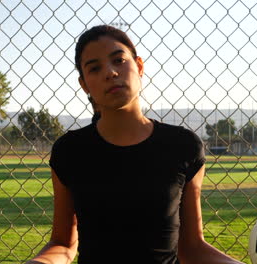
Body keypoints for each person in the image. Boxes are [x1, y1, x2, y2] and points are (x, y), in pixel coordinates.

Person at [26, 25, 243, 264]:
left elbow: (191, 248)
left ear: (139, 66)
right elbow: (64, 244)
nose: (110, 72)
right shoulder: (70, 151)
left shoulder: (183, 146)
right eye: (95, 68)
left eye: (119, 60)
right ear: (84, 84)